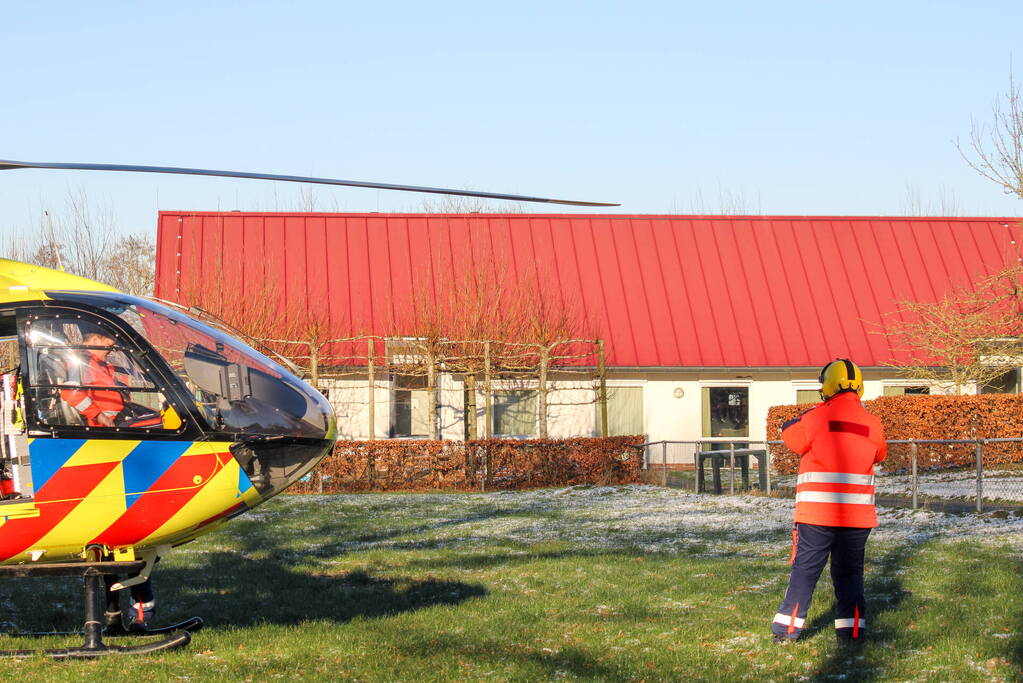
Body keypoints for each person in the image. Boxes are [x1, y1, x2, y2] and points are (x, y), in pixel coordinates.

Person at [771, 359, 887, 644]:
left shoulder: (816, 417)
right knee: (850, 574)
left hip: (817, 514)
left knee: (805, 570)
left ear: (827, 385)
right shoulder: (872, 422)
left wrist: (791, 422)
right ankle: (853, 630)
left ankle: (787, 632)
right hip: (857, 517)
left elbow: (792, 438)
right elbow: (880, 454)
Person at [60, 331, 162, 428]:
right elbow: (69, 391)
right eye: (109, 346)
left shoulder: (99, 363)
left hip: (120, 418)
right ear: (95, 341)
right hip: (108, 425)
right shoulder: (81, 361)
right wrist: (99, 416)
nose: (111, 351)